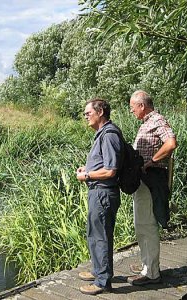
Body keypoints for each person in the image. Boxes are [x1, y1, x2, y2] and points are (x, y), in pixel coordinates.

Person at [127, 90, 177, 286]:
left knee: (146, 224)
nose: (131, 111)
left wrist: (151, 162)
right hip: (145, 180)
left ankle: (152, 273)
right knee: (142, 223)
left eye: (132, 107)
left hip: (151, 179)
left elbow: (171, 143)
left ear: (142, 105)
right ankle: (147, 265)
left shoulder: (156, 119)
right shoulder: (148, 122)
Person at [76, 98, 123, 295]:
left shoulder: (109, 135)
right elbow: (102, 164)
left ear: (101, 112)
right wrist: (88, 169)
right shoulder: (101, 134)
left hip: (103, 193)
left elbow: (111, 170)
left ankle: (102, 282)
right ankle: (98, 271)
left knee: (101, 237)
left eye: (89, 112)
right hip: (98, 191)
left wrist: (86, 175)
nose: (86, 116)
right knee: (94, 234)